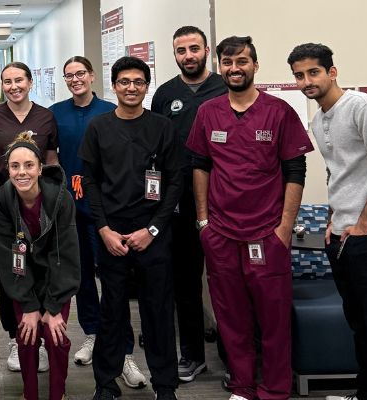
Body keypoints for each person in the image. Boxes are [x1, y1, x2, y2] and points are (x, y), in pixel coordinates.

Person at [186, 36, 312, 400]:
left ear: (255, 65)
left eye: (242, 60)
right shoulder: (209, 112)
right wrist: (203, 222)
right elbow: (200, 165)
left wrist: (284, 229)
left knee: (273, 321)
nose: (234, 68)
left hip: (267, 234)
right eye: (227, 61)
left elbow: (295, 169)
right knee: (231, 318)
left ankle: (274, 389)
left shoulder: (279, 111)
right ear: (220, 66)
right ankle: (241, 386)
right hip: (221, 234)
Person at [288, 43, 367, 400]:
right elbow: (341, 175)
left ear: (332, 72)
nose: (307, 81)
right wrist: (334, 220)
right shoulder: (319, 119)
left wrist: (365, 224)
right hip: (343, 238)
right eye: (299, 75)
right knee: (360, 328)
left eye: (313, 72)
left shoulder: (364, 108)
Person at [81, 56, 182, 400]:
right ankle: (106, 383)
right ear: (114, 85)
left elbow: (174, 184)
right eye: (124, 82)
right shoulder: (98, 127)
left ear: (146, 86)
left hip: (153, 235)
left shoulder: (162, 127)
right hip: (113, 237)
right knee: (112, 312)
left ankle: (165, 385)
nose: (131, 88)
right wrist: (104, 229)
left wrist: (152, 230)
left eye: (138, 82)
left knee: (158, 312)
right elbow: (90, 183)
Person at [48, 55, 148, 388]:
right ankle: (93, 334)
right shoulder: (56, 113)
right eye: (69, 75)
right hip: (70, 210)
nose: (75, 79)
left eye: (80, 74)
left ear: (92, 76)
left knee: (114, 280)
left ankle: (124, 350)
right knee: (81, 280)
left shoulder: (109, 110)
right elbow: (52, 158)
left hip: (105, 211)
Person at [150, 25, 228, 383]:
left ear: (206, 50)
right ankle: (193, 354)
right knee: (185, 283)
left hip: (225, 200)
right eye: (181, 51)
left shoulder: (227, 87)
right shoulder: (165, 94)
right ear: (175, 55)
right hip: (179, 204)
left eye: (194, 48)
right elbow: (157, 150)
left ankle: (233, 356)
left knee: (228, 280)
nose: (188, 56)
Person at [0, 61, 58, 372]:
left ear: (30, 82)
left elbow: (51, 162)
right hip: (1, 202)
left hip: (38, 204)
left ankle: (38, 337)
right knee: (11, 270)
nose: (13, 86)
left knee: (39, 267)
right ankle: (16, 337)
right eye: (7, 82)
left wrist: (50, 201)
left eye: (19, 80)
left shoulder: (46, 117)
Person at [0, 132, 79, 400]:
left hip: (55, 277)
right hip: (20, 277)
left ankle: (57, 394)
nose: (22, 172)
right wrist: (28, 305)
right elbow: (7, 259)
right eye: (15, 166)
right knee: (26, 337)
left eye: (29, 165)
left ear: (40, 168)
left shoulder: (61, 200)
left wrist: (52, 307)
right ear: (8, 169)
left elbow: (66, 255)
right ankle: (30, 394)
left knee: (55, 336)